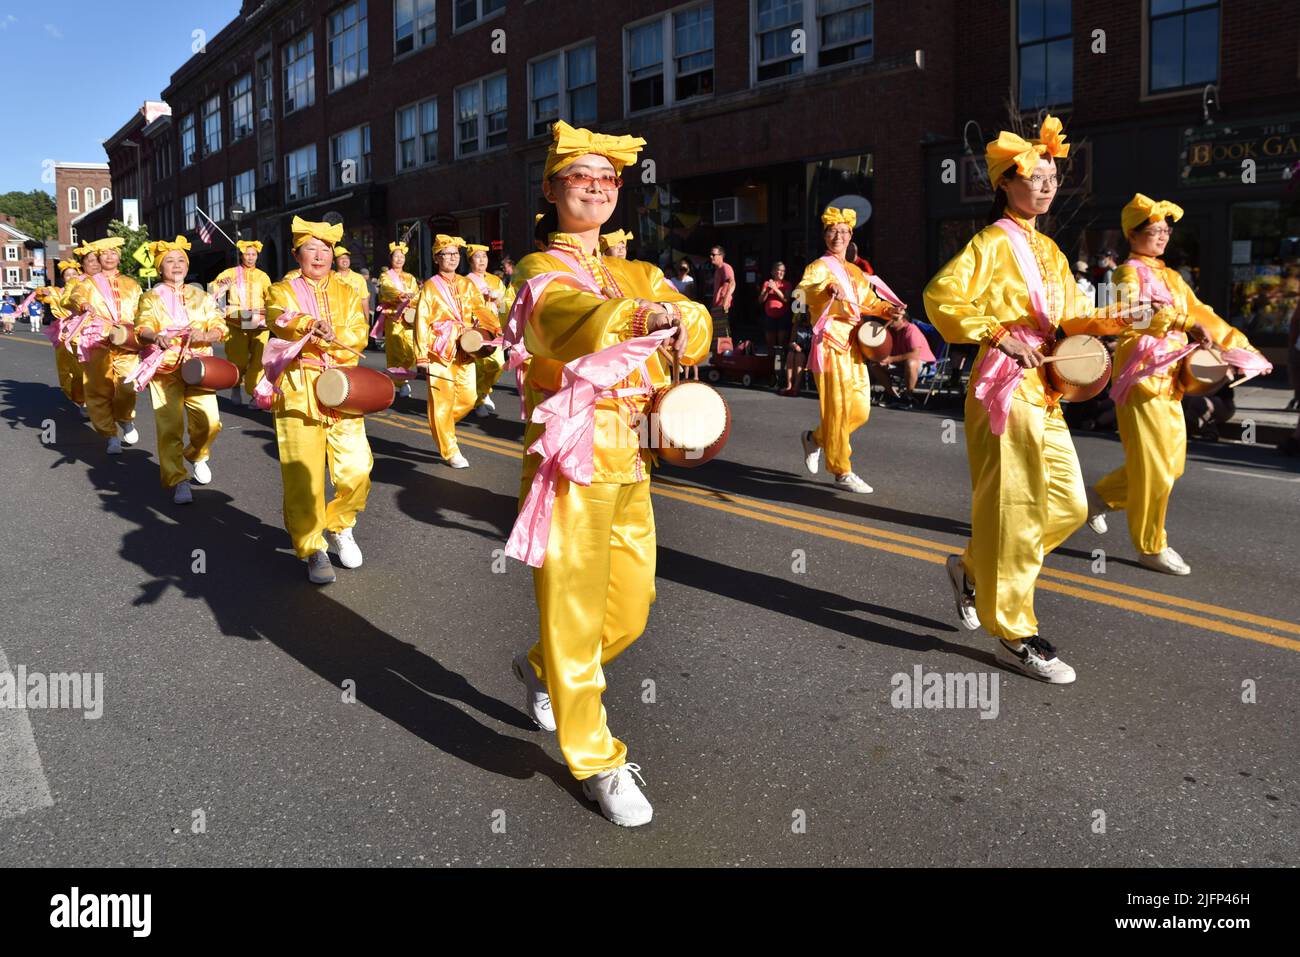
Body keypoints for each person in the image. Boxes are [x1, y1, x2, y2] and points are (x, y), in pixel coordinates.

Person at [502, 120, 711, 827]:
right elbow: (562, 320)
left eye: (606, 178)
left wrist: (685, 322)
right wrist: (636, 316)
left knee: (631, 604)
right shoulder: (538, 271)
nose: (595, 186)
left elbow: (693, 314)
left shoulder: (637, 270)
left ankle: (542, 666)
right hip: (571, 452)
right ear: (551, 189)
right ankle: (594, 755)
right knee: (574, 607)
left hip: (635, 448)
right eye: (579, 176)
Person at [924, 115, 1138, 685]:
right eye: (1035, 177)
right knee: (1014, 512)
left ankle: (974, 569)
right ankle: (1013, 631)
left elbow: (1069, 316)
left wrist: (1115, 318)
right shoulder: (989, 243)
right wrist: (997, 332)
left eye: (1051, 178)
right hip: (1003, 388)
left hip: (1045, 389)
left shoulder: (1050, 248)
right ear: (1007, 184)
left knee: (1068, 507)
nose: (1046, 186)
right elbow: (940, 296)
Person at [1089, 195, 1270, 575]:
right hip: (1140, 380)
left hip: (1171, 380)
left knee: (1171, 466)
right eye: (1154, 231)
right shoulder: (1126, 273)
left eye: (1166, 231)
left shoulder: (1171, 276)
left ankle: (1098, 498)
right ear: (1132, 234)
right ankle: (1151, 546)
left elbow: (1203, 313)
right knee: (1155, 467)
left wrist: (1240, 347)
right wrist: (1182, 323)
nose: (1162, 237)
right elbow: (1132, 316)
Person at [261, 217, 373, 585]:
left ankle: (340, 525)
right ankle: (312, 548)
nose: (321, 255)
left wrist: (335, 333)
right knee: (303, 475)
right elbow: (278, 318)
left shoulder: (346, 291)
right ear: (297, 254)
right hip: (299, 387)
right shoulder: (282, 289)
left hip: (342, 387)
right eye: (312, 248)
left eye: (326, 249)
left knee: (357, 467)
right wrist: (309, 324)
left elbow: (358, 332)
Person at [796, 206, 904, 494]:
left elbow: (869, 302)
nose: (838, 236)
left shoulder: (855, 271)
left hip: (854, 346)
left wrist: (887, 309)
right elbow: (802, 292)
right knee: (838, 409)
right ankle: (842, 470)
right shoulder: (818, 267)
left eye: (843, 232)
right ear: (825, 235)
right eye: (832, 231)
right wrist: (827, 290)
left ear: (851, 236)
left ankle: (815, 439)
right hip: (830, 343)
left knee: (860, 410)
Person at [129, 238, 228, 504]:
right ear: (161, 268)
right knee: (169, 426)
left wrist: (206, 333)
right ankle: (178, 479)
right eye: (170, 261)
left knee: (210, 423)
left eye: (181, 260)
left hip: (199, 368)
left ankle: (197, 454)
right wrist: (155, 336)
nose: (176, 265)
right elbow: (143, 326)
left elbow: (221, 325)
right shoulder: (149, 298)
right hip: (164, 369)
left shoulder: (202, 296)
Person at [413, 235, 499, 467]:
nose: (451, 258)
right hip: (438, 350)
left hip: (465, 346)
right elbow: (421, 321)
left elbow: (480, 309)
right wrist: (421, 355)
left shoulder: (467, 283)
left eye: (454, 254)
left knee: (469, 398)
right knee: (441, 401)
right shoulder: (430, 286)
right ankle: (450, 450)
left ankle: (441, 425)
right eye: (446, 254)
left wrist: (494, 328)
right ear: (436, 258)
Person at [69, 237, 144, 454]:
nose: (109, 256)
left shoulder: (132, 284)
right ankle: (110, 435)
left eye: (113, 253)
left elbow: (142, 312)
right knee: (98, 389)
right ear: (98, 258)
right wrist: (83, 304)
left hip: (126, 341)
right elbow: (74, 296)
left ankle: (125, 418)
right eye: (104, 253)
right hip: (98, 340)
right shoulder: (87, 284)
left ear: (119, 257)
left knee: (127, 386)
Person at [211, 240, 272, 407]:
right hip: (237, 322)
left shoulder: (263, 276)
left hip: (259, 322)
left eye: (253, 254)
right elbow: (211, 292)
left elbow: (271, 297)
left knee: (259, 361)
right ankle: (236, 386)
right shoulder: (230, 273)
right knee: (238, 359)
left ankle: (255, 394)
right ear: (241, 255)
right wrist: (223, 288)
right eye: (247, 254)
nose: (250, 258)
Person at [36, 259, 88, 415]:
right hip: (65, 334)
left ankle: (94, 397)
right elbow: (42, 293)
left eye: (74, 274)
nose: (71, 277)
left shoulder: (89, 290)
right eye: (67, 275)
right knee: (67, 369)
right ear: (63, 278)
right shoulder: (58, 293)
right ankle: (80, 400)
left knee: (87, 368)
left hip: (85, 333)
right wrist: (42, 292)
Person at [464, 243, 508, 418]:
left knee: (497, 365)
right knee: (479, 366)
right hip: (477, 328)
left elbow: (504, 306)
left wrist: (498, 301)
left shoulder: (495, 280)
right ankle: (479, 400)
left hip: (495, 328)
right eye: (477, 257)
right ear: (470, 260)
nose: (482, 260)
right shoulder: (465, 281)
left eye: (484, 256)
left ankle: (482, 392)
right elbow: (465, 305)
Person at [375, 241, 420, 398]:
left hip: (408, 318)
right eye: (396, 256)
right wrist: (401, 296)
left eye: (402, 256)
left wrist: (411, 299)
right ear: (391, 258)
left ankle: (396, 376)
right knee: (396, 351)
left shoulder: (410, 277)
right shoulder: (385, 276)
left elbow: (417, 295)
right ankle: (401, 382)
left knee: (411, 351)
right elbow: (387, 290)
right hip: (393, 316)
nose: (400, 259)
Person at [871, 311, 935, 407]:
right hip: (900, 364)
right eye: (889, 318)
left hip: (924, 365)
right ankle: (892, 395)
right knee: (874, 363)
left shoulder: (911, 329)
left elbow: (915, 354)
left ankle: (908, 396)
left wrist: (891, 359)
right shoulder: (889, 332)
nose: (890, 321)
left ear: (904, 320)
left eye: (895, 319)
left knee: (911, 363)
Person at [758, 262, 793, 370]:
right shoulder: (767, 283)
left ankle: (781, 369)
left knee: (781, 344)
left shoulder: (786, 284)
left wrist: (776, 289)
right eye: (779, 270)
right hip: (769, 316)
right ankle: (770, 369)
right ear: (773, 272)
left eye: (783, 271)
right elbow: (760, 300)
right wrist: (768, 290)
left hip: (782, 316)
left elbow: (786, 299)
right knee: (770, 344)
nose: (781, 272)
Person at [781, 311, 813, 395]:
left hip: (808, 351)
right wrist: (795, 346)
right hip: (796, 349)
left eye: (806, 315)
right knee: (790, 355)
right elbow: (791, 342)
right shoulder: (796, 326)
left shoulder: (813, 327)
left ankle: (796, 387)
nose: (804, 317)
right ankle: (789, 385)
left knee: (800, 357)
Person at [333, 245, 371, 313]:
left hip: (356, 320)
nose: (345, 260)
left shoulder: (359, 278)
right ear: (334, 261)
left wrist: (366, 321)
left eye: (347, 257)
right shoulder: (330, 278)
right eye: (341, 258)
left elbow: (364, 301)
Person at [709, 245, 735, 339]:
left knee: (725, 335)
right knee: (719, 336)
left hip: (724, 307)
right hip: (717, 306)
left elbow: (732, 284)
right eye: (710, 254)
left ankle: (727, 353)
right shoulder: (717, 270)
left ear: (721, 256)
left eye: (713, 254)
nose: (711, 256)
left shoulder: (725, 267)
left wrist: (725, 301)